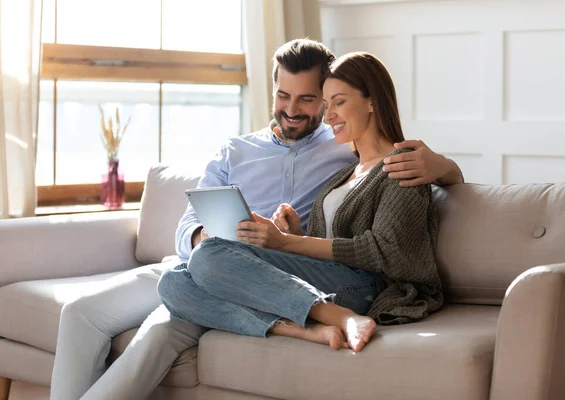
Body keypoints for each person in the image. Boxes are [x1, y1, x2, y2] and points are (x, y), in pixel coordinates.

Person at [50, 39, 463, 400]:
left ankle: (313, 312)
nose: (293, 109)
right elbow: (189, 221)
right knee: (105, 302)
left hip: (280, 270)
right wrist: (207, 237)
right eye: (284, 96)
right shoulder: (238, 149)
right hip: (207, 259)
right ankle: (301, 322)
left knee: (172, 310)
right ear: (272, 91)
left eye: (310, 99)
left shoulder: (343, 148)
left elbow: (408, 192)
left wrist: (443, 165)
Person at [157, 51, 443, 352]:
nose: (330, 114)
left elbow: (384, 250)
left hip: (365, 287)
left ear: (372, 100)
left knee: (207, 255)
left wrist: (285, 242)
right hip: (324, 277)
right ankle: (306, 331)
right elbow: (328, 244)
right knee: (174, 283)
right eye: (328, 103)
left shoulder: (401, 165)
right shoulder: (347, 171)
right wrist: (296, 234)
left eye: (339, 102)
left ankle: (338, 315)